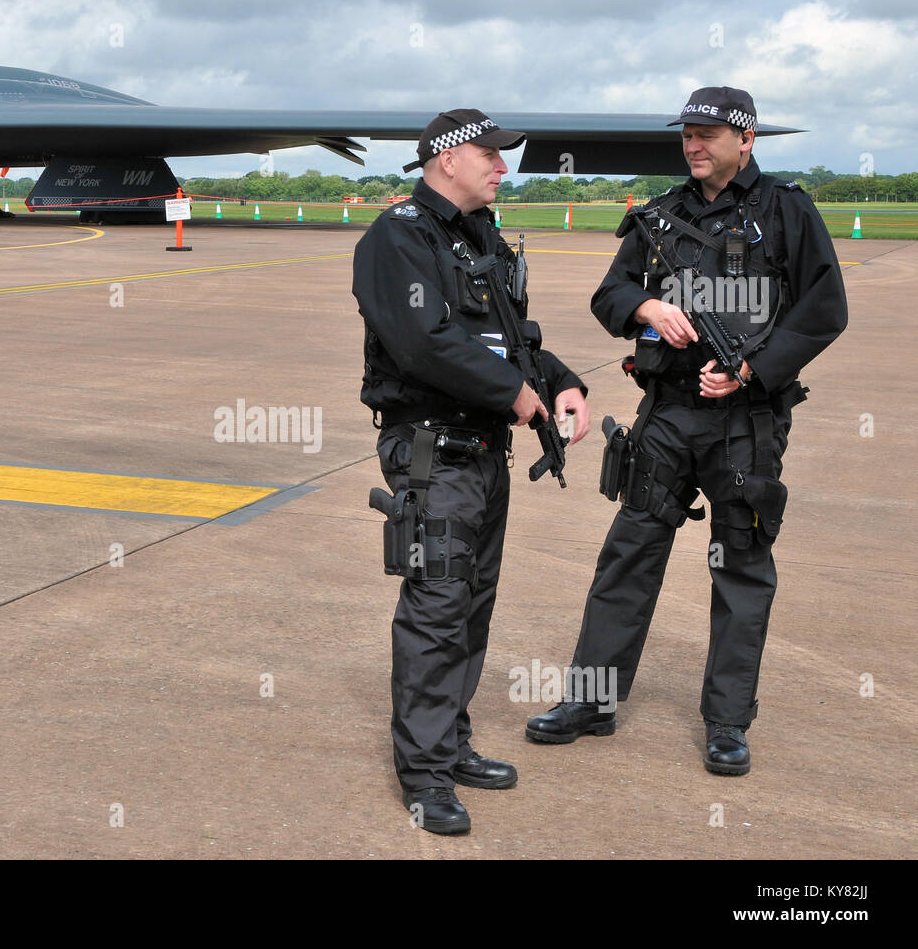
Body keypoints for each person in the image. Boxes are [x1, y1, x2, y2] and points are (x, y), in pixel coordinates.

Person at [525, 87, 848, 775]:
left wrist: (753, 370)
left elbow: (825, 310)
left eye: (707, 134)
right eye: (687, 135)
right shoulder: (661, 216)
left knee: (739, 567)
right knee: (628, 553)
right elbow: (608, 294)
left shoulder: (788, 210)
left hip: (746, 424)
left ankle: (727, 721)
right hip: (668, 414)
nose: (693, 145)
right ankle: (592, 701)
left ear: (746, 139)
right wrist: (646, 305)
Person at [354, 109, 590, 833]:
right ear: (447, 158)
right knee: (436, 606)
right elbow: (425, 345)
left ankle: (450, 745)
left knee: (472, 602)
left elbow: (514, 340)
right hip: (432, 449)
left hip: (484, 451)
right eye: (490, 153)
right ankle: (423, 774)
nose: (502, 166)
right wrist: (515, 394)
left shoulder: (478, 238)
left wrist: (559, 381)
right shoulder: (397, 237)